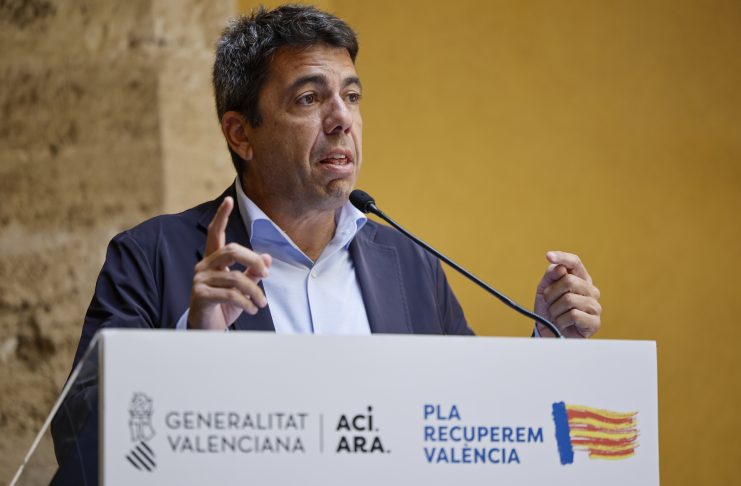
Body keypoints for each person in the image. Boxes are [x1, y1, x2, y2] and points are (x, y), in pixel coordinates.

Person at [52, 4, 601, 479]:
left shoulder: (411, 265)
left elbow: (471, 432)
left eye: (352, 95)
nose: (342, 119)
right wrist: (191, 350)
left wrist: (548, 345)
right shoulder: (152, 257)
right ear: (241, 133)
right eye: (309, 98)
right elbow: (80, 448)